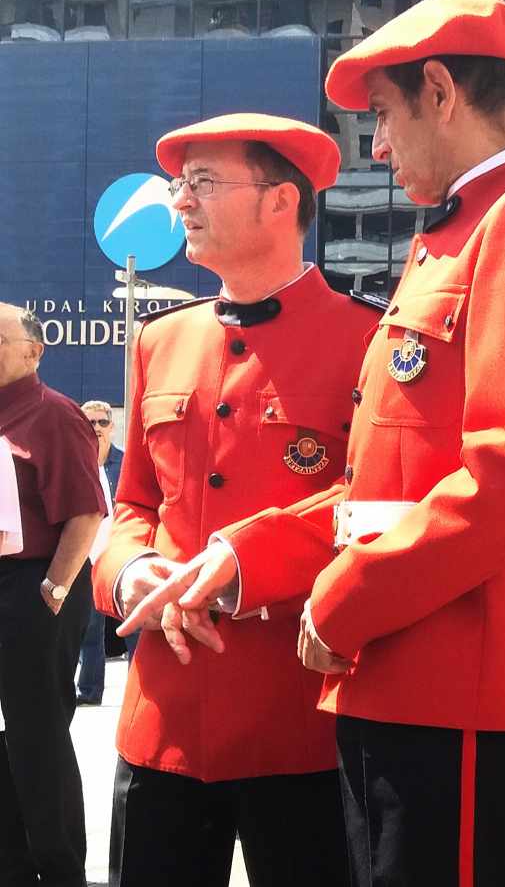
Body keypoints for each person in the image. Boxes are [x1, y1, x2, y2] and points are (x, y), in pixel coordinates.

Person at [121, 0, 505, 886]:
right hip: (407, 670)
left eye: (381, 116)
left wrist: (344, 597)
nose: (377, 147)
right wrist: (246, 555)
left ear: (439, 90)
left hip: (457, 670)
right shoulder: (458, 239)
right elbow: (380, 488)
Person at [93, 114, 373, 887]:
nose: (180, 201)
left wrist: (241, 562)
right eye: (180, 185)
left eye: (203, 184)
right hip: (164, 716)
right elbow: (132, 503)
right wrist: (132, 574)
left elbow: (376, 498)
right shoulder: (161, 338)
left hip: (300, 717)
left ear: (281, 202)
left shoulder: (366, 339)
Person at [0, 303, 106, 887]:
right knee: (6, 737)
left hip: (37, 583)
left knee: (37, 733)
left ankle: (59, 866)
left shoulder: (54, 414)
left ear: (33, 351)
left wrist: (54, 588)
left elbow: (87, 510)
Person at [75, 399, 116, 705]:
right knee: (90, 630)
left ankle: (142, 693)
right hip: (85, 560)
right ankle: (90, 691)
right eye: (90, 422)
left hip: (120, 558)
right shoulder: (73, 462)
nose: (97, 428)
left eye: (103, 422)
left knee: (137, 631)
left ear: (112, 427)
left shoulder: (126, 464)